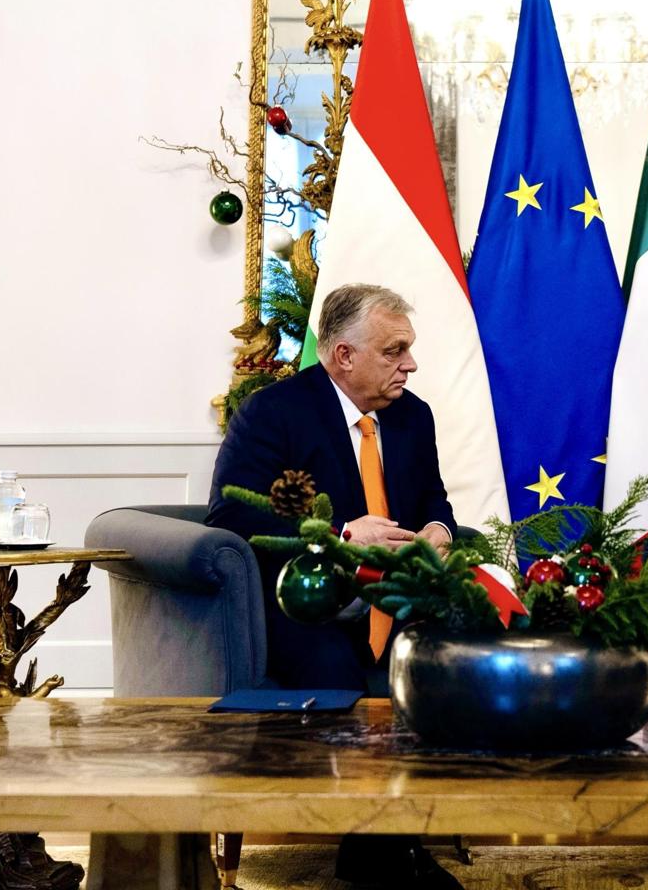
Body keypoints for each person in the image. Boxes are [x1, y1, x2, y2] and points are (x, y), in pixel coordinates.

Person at [205, 282, 459, 890]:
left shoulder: (413, 416)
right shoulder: (273, 412)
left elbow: (434, 499)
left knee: (455, 658)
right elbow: (231, 517)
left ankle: (402, 836)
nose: (411, 364)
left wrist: (439, 530)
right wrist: (342, 533)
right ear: (343, 355)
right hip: (306, 603)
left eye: (410, 349)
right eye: (395, 350)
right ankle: (380, 853)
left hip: (398, 598)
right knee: (335, 669)